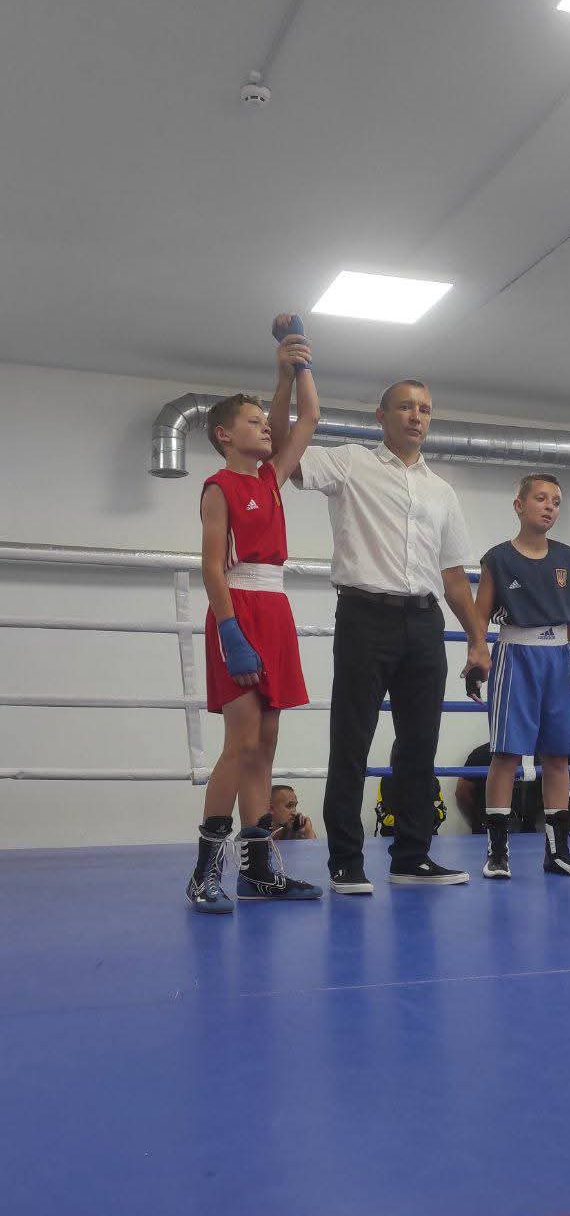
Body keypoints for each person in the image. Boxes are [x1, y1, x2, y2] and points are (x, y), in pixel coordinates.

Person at [291, 379, 487, 893]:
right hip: (364, 616)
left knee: (419, 745)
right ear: (382, 415)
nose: (416, 416)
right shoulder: (350, 462)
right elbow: (287, 460)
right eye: (405, 406)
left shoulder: (441, 491)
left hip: (424, 622)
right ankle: (345, 862)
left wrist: (477, 640)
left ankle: (412, 858)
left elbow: (453, 576)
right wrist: (291, 379)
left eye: (425, 409)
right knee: (351, 741)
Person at [186, 315, 323, 912]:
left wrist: (295, 365)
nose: (266, 425)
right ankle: (203, 873)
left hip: (275, 609)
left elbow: (307, 417)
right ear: (223, 434)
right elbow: (211, 567)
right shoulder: (219, 486)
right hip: (237, 610)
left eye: (266, 421)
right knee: (240, 744)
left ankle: (259, 870)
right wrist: (230, 631)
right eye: (253, 420)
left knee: (266, 745)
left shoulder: (271, 478)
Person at [465, 473, 570, 879]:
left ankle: (558, 852)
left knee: (557, 755)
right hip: (515, 656)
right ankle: (497, 852)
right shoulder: (498, 559)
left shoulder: (568, 558)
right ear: (519, 505)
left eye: (556, 501)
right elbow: (479, 617)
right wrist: (476, 656)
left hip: (558, 658)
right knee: (506, 754)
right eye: (541, 498)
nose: (550, 506)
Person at [455, 742, 541, 833]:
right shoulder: (481, 753)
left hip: (526, 829)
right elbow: (462, 793)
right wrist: (477, 819)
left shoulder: (538, 755)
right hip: (486, 828)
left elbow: (546, 794)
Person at [375, 741, 447, 839]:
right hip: (394, 838)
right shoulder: (387, 780)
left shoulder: (432, 781)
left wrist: (409, 818)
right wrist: (420, 817)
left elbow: (441, 813)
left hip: (426, 839)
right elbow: (385, 817)